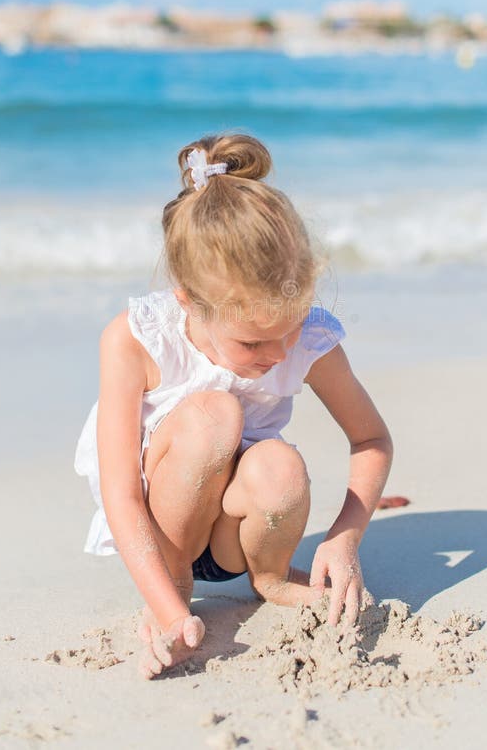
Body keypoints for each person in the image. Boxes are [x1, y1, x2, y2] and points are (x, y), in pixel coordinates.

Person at [75, 133, 393, 679]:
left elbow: (371, 440)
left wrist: (344, 537)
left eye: (289, 331)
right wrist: (169, 610)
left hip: (237, 539)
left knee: (281, 463)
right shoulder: (138, 340)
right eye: (252, 343)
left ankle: (268, 579)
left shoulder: (308, 340)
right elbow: (121, 494)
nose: (276, 355)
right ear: (189, 301)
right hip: (161, 532)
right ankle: (173, 592)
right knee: (214, 414)